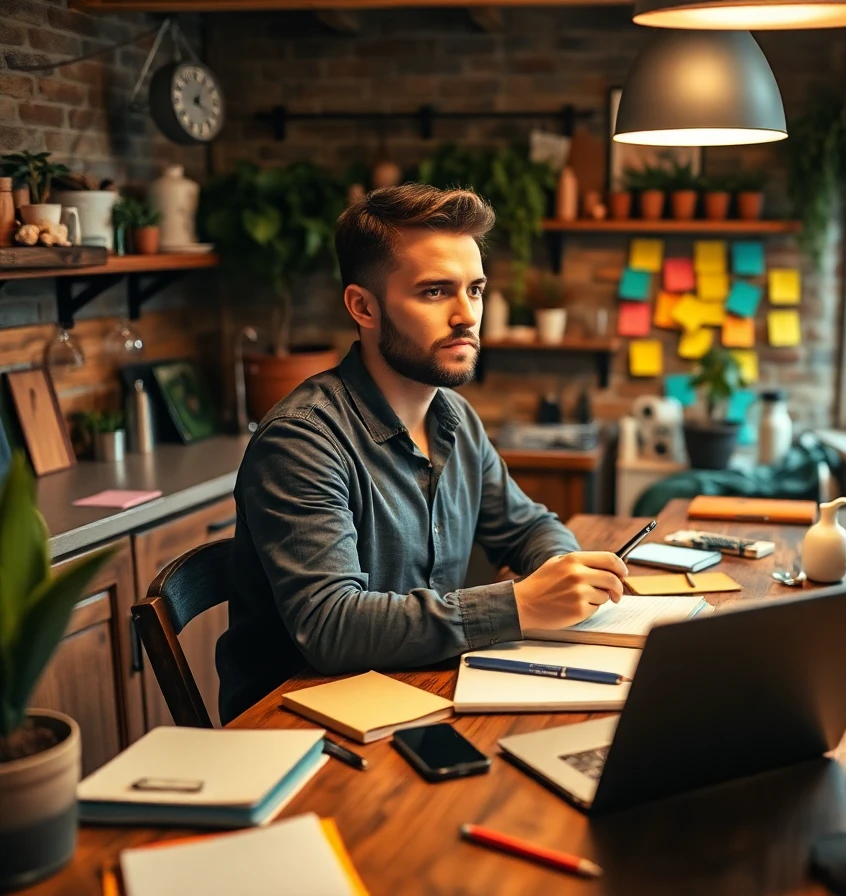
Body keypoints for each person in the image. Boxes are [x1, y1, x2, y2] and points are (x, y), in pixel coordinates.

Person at [217, 184, 627, 722]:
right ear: (364, 307)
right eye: (436, 292)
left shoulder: (454, 418)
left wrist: (562, 572)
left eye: (475, 290)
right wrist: (520, 605)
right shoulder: (301, 441)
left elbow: (527, 527)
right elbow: (328, 625)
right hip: (301, 727)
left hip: (421, 694)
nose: (467, 316)